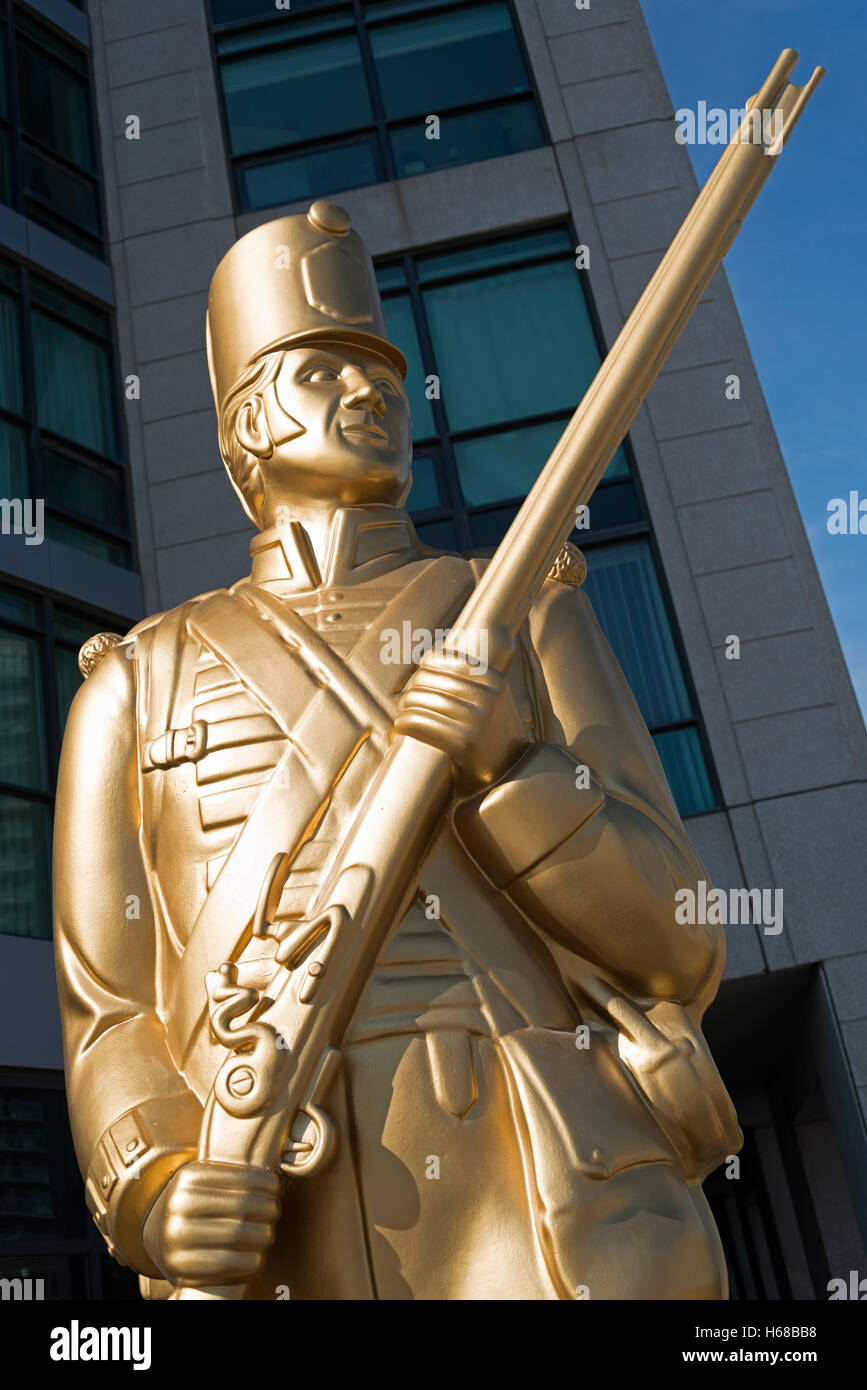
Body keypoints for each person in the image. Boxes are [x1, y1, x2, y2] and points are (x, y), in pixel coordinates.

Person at [54, 200, 740, 1300]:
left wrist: (514, 774)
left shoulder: (523, 611)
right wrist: (154, 1182)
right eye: (321, 371)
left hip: (539, 1168)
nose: (371, 389)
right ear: (246, 428)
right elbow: (114, 1012)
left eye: (377, 369)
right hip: (279, 1207)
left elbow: (678, 942)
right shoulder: (136, 680)